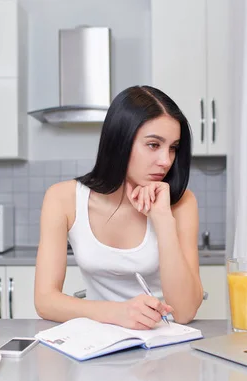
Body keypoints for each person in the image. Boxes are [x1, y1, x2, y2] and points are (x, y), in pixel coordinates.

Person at [35, 85, 203, 329]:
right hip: (98, 342)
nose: (166, 161)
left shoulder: (182, 203)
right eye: (154, 145)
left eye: (173, 148)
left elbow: (185, 311)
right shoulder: (62, 198)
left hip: (164, 342)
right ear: (120, 142)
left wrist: (163, 219)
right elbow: (45, 300)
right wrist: (119, 312)